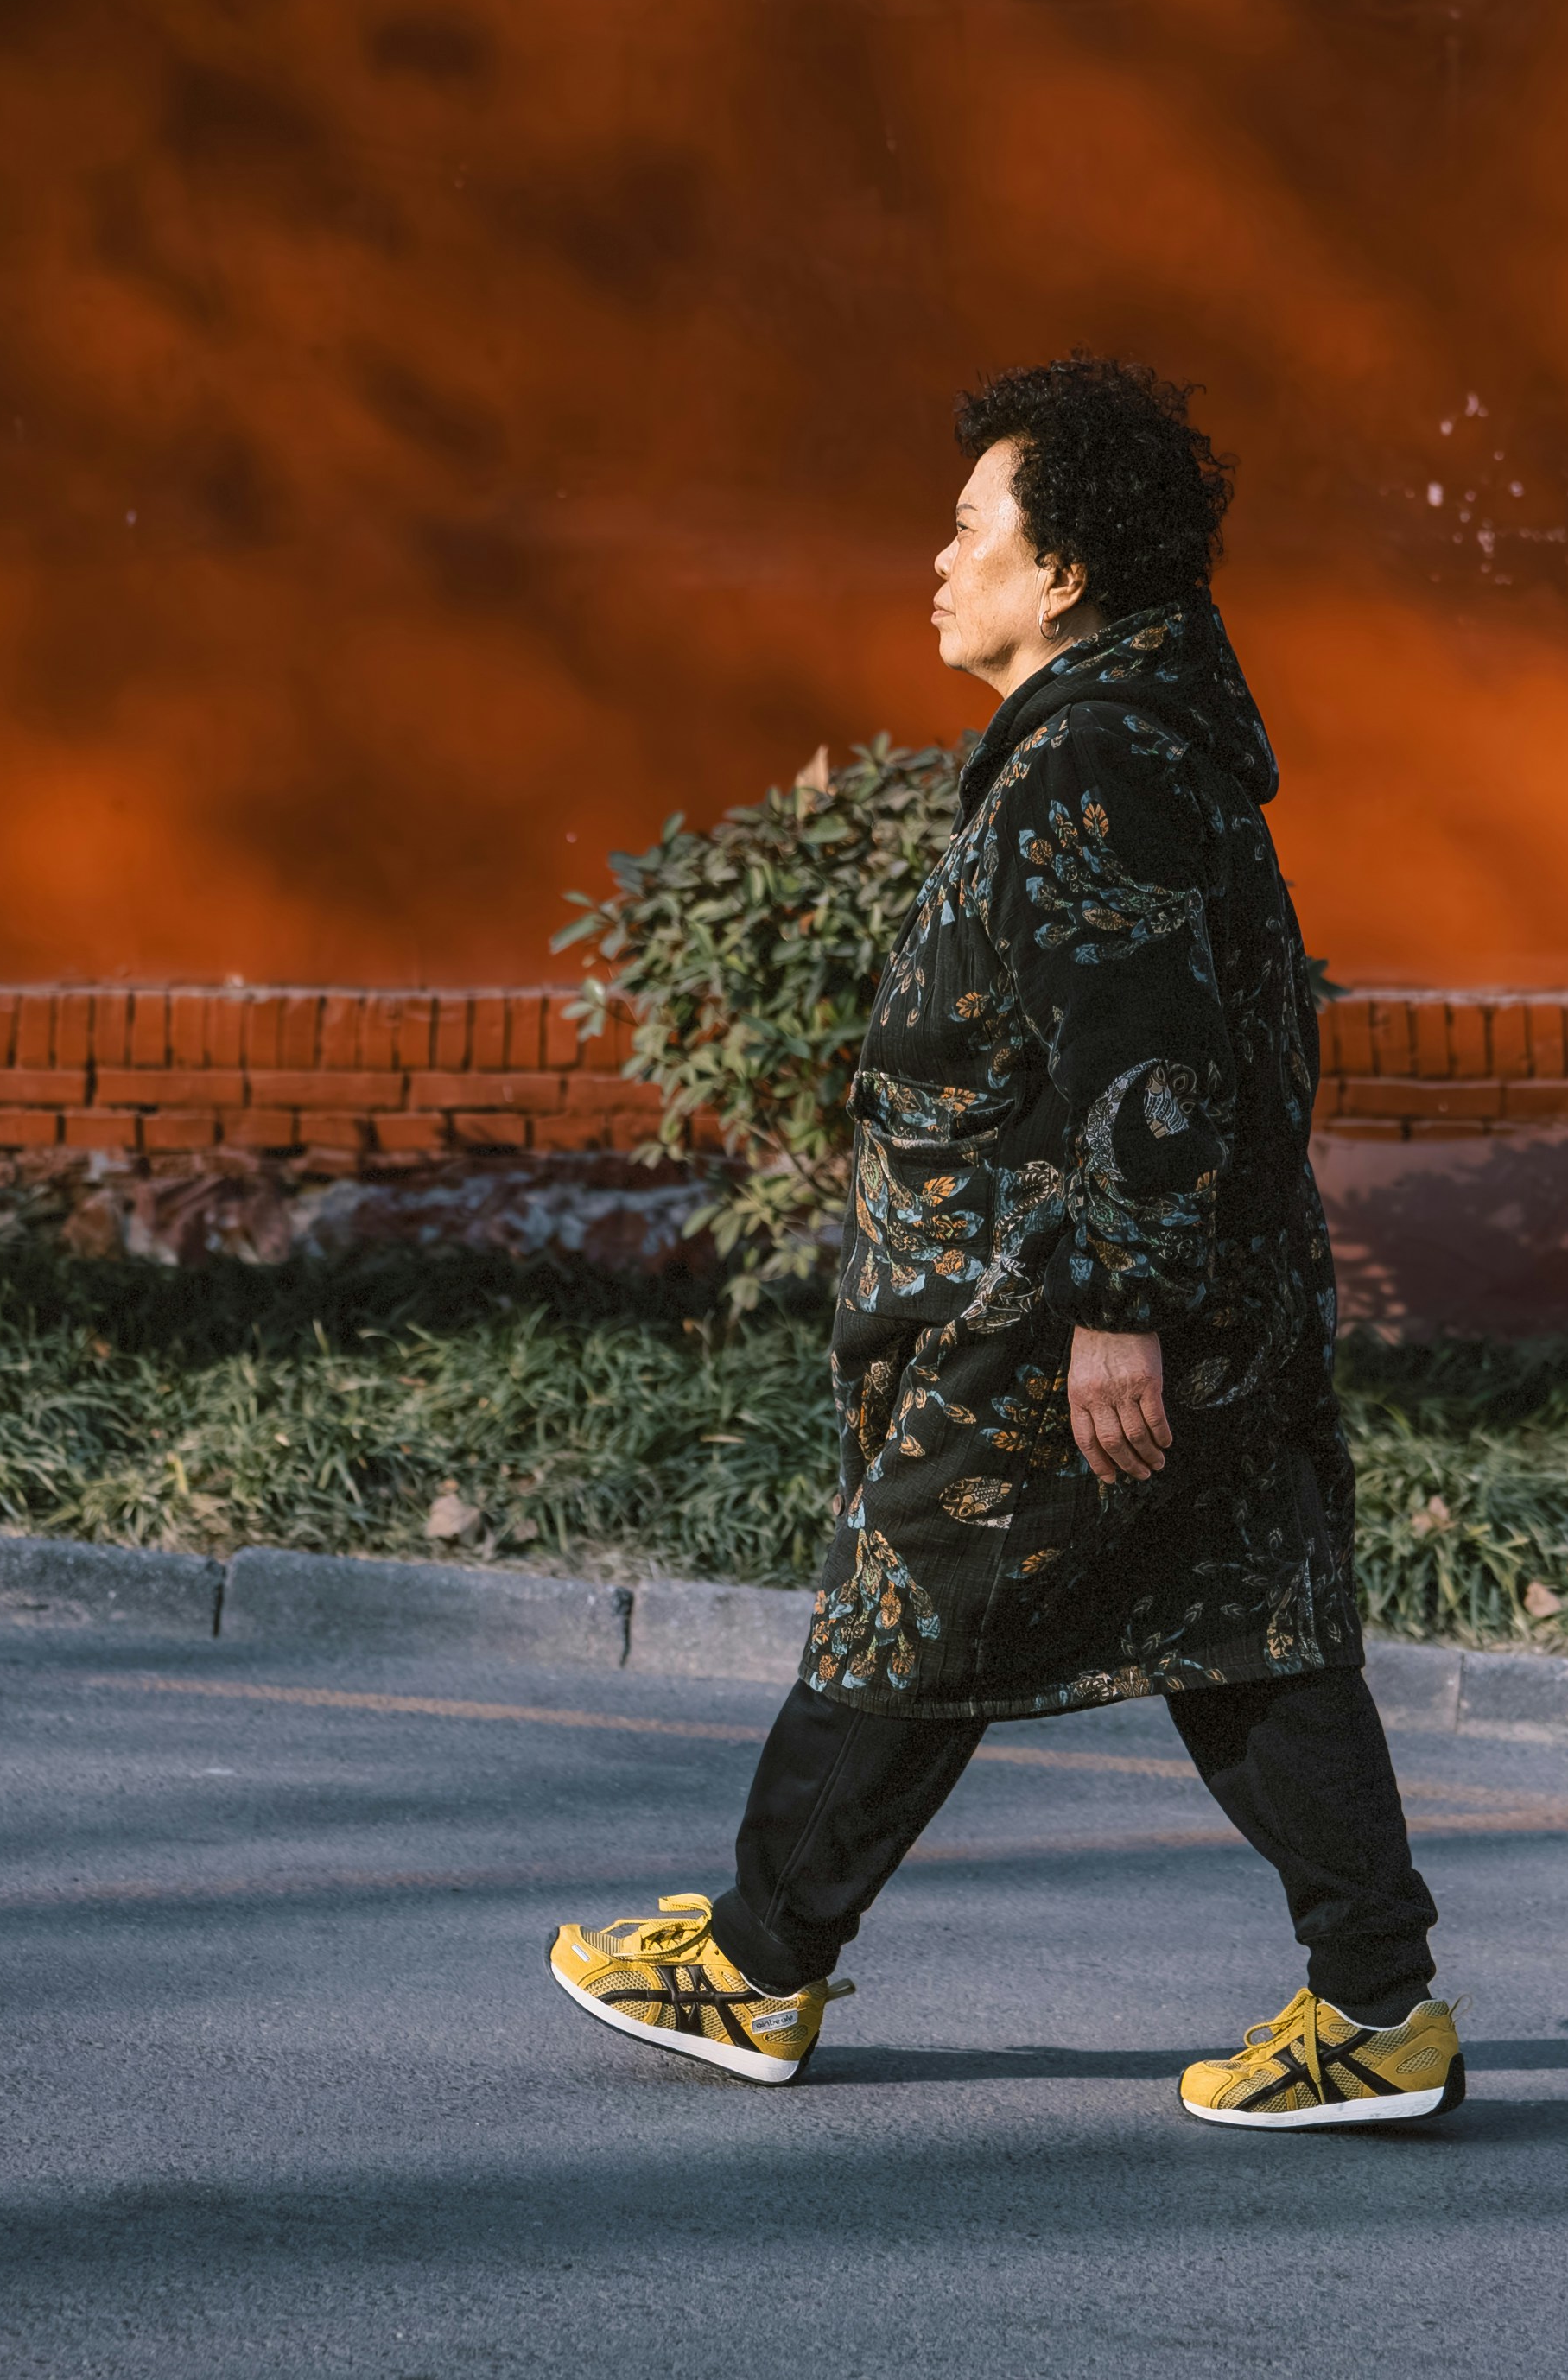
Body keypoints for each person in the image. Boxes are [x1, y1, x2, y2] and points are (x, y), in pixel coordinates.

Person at [548, 353, 1456, 2129]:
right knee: (1243, 1623)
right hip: (1209, 1289)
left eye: (972, 526)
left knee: (912, 1599)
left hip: (1059, 1303)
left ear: (1062, 575)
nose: (938, 557)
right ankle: (1380, 2011)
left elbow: (1148, 1057)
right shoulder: (1136, 736)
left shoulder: (1095, 762)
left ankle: (751, 1968)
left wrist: (1117, 1309)